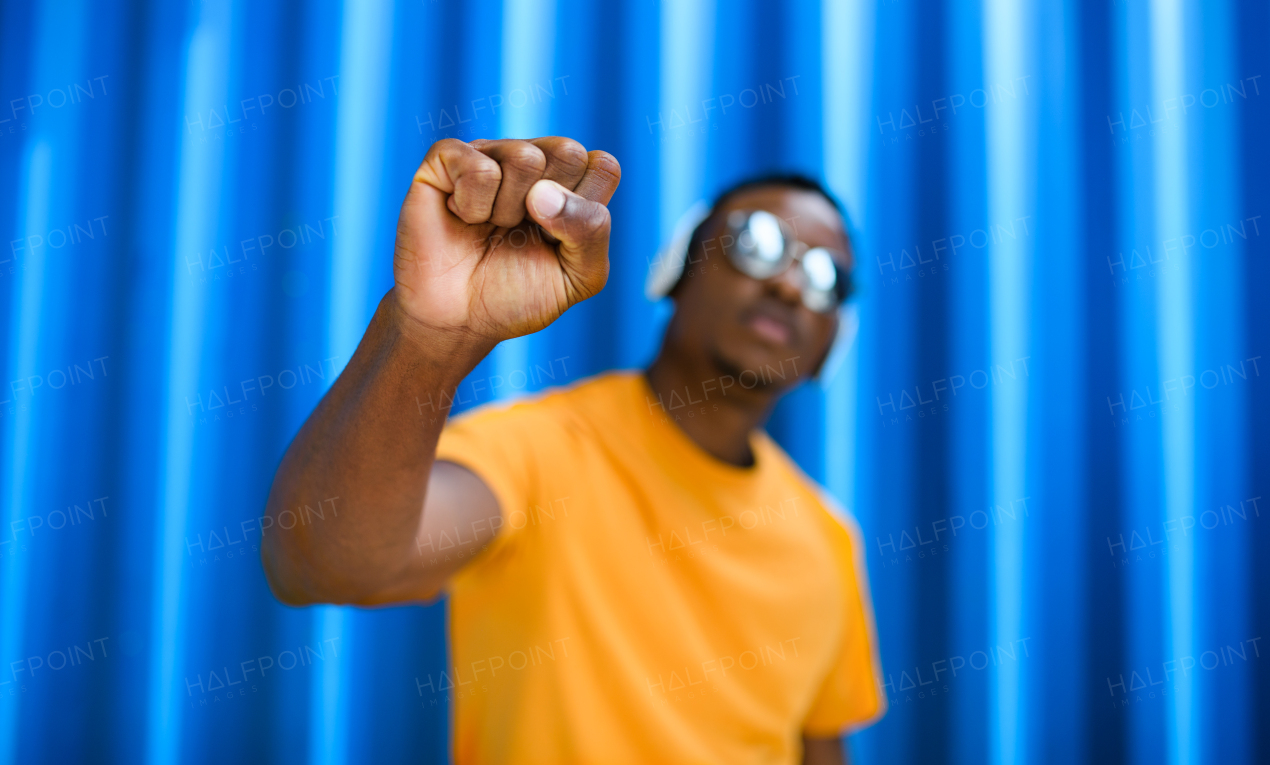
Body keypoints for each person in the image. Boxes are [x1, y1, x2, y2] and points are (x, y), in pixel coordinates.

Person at [262, 136, 885, 764]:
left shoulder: (827, 539)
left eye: (824, 278)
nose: (788, 286)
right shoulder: (540, 450)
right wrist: (426, 343)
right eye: (759, 245)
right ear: (678, 267)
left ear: (834, 342)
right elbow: (324, 561)